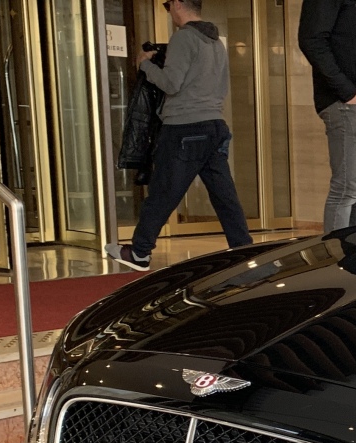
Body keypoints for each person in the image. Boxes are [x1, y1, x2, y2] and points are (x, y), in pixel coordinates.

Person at [106, 0, 251, 272]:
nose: (168, 9)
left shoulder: (184, 38)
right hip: (215, 126)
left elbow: (171, 84)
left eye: (167, 4)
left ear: (179, 4)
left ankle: (138, 252)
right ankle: (245, 251)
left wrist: (145, 65)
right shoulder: (215, 41)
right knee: (225, 196)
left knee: (163, 191)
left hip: (184, 127)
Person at [299, 0, 356, 232]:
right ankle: (336, 260)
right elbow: (311, 40)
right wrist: (347, 92)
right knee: (347, 188)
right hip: (348, 102)